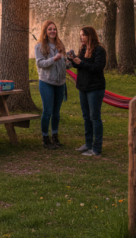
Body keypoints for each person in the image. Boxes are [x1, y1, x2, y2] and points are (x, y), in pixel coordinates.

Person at [67, 26, 107, 157]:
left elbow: (97, 68)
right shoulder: (83, 49)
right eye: (80, 35)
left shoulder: (99, 50)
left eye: (84, 35)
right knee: (86, 117)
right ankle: (88, 144)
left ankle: (97, 148)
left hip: (95, 87)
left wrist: (81, 63)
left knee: (95, 117)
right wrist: (73, 60)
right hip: (83, 87)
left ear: (90, 36)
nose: (81, 37)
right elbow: (80, 65)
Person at [35, 20, 68, 149]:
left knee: (56, 112)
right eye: (50, 29)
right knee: (47, 111)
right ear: (45, 31)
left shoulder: (60, 45)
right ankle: (45, 138)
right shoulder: (39, 46)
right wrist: (53, 59)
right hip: (46, 82)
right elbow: (40, 64)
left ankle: (55, 136)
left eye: (54, 29)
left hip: (60, 83)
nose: (53, 31)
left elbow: (64, 63)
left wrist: (70, 60)